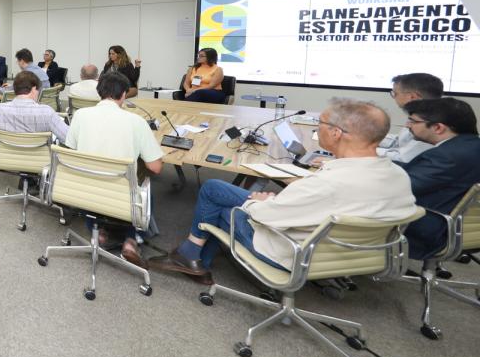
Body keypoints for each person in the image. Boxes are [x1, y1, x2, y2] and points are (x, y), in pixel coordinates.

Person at [149, 99, 418, 282]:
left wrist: (258, 201)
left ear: (337, 133)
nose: (317, 128)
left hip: (293, 252)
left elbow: (265, 217)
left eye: (321, 124)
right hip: (357, 255)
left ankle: (190, 255)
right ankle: (194, 256)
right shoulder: (399, 176)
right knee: (217, 190)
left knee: (214, 197)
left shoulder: (324, 184)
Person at [63, 71, 164, 265]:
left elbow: (71, 152)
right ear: (124, 94)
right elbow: (156, 167)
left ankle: (99, 232)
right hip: (120, 196)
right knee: (143, 182)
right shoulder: (137, 122)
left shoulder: (80, 115)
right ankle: (131, 240)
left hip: (83, 192)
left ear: (99, 91)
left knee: (96, 179)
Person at [396, 98, 480, 259]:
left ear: (438, 127)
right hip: (463, 228)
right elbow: (422, 172)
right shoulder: (470, 147)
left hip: (428, 230)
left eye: (413, 121)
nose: (407, 125)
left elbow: (402, 188)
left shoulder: (447, 156)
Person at [0, 71, 69, 143]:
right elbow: (69, 138)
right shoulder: (47, 112)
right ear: (34, 89)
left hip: (6, 154)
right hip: (38, 154)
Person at [380, 73, 444, 162]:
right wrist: (366, 138)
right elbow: (401, 142)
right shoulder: (418, 114)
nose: (394, 97)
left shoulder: (430, 121)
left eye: (395, 93)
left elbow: (403, 158)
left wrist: (365, 149)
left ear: (412, 97)